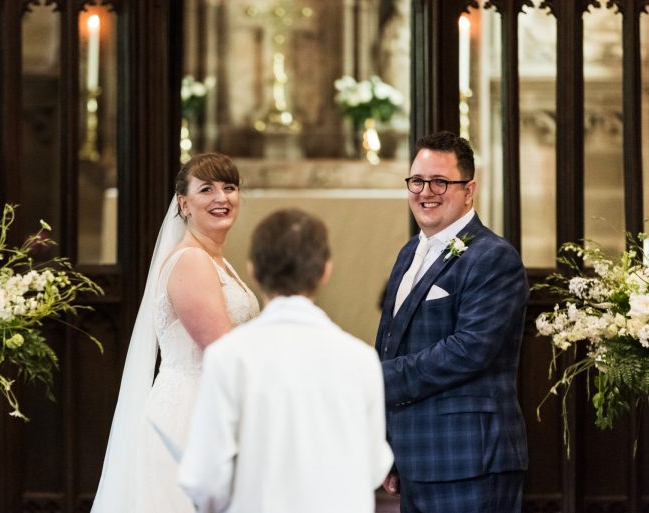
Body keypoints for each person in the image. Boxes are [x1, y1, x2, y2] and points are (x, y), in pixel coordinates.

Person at [177, 209, 393, 513]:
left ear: (252, 269)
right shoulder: (361, 359)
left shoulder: (229, 357)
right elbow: (374, 466)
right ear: (325, 271)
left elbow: (204, 477)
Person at [91, 153, 260, 513]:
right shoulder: (192, 262)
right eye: (207, 189)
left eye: (230, 188)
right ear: (184, 204)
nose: (222, 198)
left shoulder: (217, 260)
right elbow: (223, 350)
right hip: (192, 411)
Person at [375, 131, 528, 513]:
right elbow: (391, 341)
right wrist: (390, 444)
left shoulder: (494, 257)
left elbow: (469, 351)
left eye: (441, 181)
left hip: (469, 458)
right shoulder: (410, 251)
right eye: (417, 181)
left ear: (469, 190)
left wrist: (376, 376)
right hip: (418, 457)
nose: (427, 191)